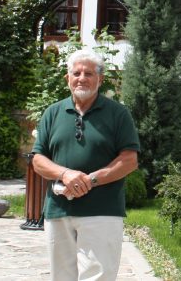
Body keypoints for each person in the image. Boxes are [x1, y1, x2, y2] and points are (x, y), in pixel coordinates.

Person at [32, 49, 140, 281]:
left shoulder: (117, 113)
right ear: (67, 78)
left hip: (102, 211)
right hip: (58, 210)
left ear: (100, 79)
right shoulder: (53, 113)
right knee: (61, 277)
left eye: (89, 73)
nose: (82, 78)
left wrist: (90, 180)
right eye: (76, 73)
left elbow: (129, 160)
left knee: (98, 276)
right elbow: (38, 160)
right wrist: (66, 174)